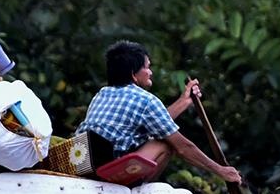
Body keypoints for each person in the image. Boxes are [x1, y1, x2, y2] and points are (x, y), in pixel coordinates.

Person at [76, 40, 243, 185]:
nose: (150, 72)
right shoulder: (146, 100)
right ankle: (135, 193)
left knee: (157, 136)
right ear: (133, 74)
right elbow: (183, 147)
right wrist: (221, 171)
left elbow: (158, 122)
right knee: (165, 143)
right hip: (109, 173)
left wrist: (185, 101)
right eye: (147, 67)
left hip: (81, 165)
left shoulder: (101, 94)